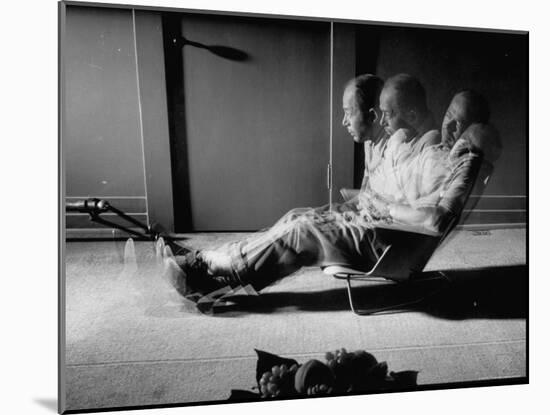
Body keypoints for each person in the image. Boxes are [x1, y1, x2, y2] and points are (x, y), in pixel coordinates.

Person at [158, 78, 486, 305]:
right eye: (448, 115)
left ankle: (209, 266)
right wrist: (370, 200)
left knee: (302, 232)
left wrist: (382, 206)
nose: (449, 126)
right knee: (301, 217)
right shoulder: (435, 151)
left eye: (458, 122)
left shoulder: (464, 162)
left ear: (473, 129)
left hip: (390, 242)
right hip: (382, 228)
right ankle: (214, 272)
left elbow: (437, 221)